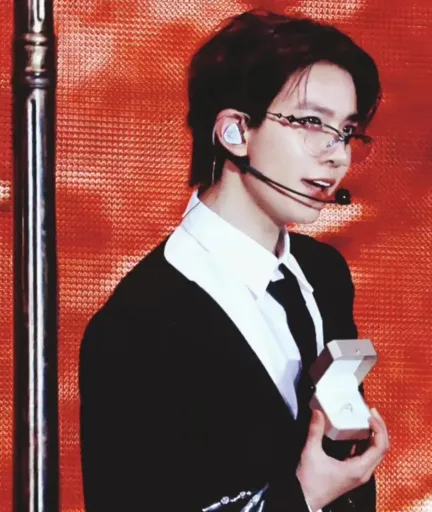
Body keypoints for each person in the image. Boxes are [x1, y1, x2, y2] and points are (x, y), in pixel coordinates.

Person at [79, 9, 389, 512]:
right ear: (234, 132)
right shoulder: (138, 324)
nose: (338, 155)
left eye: (347, 130)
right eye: (312, 122)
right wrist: (304, 496)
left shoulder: (324, 273)